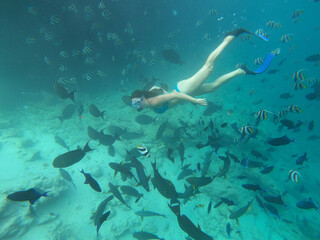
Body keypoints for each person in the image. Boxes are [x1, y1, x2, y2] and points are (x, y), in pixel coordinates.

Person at [131, 28, 278, 114]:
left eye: (138, 103)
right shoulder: (149, 98)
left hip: (184, 90)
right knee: (213, 87)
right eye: (134, 105)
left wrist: (195, 101)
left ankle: (229, 38)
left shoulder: (154, 101)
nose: (137, 106)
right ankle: (241, 71)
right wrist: (161, 90)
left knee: (208, 68)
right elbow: (158, 88)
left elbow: (176, 95)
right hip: (184, 89)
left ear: (143, 98)